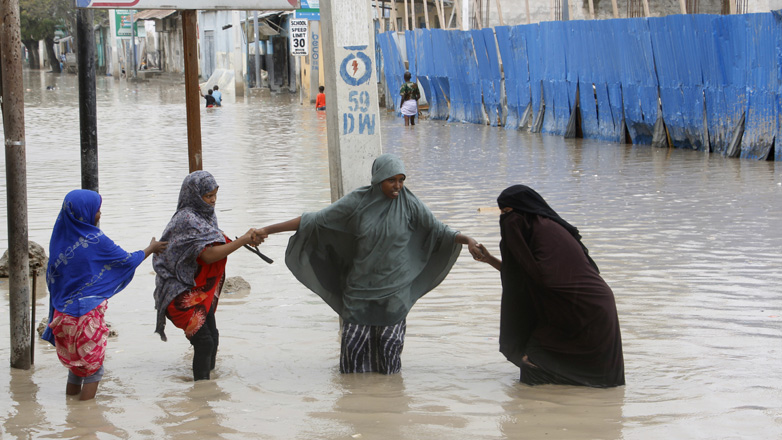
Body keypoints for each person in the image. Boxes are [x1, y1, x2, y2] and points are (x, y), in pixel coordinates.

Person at [259, 153, 482, 374]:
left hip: (394, 294)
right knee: (352, 358)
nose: (397, 186)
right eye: (391, 180)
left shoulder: (410, 204)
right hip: (360, 292)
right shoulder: (358, 201)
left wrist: (468, 240)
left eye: (401, 180)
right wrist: (267, 230)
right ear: (377, 180)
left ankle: (388, 405)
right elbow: (315, 220)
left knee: (390, 357)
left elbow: (439, 231)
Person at [475, 185, 625, 387]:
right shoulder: (541, 229)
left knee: (534, 364)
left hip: (584, 311)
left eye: (508, 213)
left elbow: (541, 280)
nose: (506, 220)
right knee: (546, 368)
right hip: (581, 308)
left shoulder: (546, 232)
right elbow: (527, 274)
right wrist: (490, 259)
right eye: (501, 214)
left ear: (524, 210)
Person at [42, 189, 167, 400]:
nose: (99, 214)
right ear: (85, 212)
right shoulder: (94, 239)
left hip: (61, 317)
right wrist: (151, 248)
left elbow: (54, 280)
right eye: (97, 210)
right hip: (86, 318)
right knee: (93, 370)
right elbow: (125, 261)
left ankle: (70, 412)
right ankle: (85, 420)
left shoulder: (59, 241)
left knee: (76, 366)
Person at [153, 171, 265, 381]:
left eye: (215, 195)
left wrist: (244, 239)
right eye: (208, 196)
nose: (213, 200)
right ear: (194, 195)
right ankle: (201, 392)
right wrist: (242, 240)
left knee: (212, 336)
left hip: (198, 291)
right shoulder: (187, 219)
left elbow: (214, 243)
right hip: (180, 293)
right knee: (204, 341)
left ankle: (207, 393)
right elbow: (208, 256)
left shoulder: (205, 215)